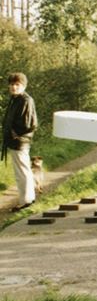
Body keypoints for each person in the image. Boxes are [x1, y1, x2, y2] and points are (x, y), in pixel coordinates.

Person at [2, 72, 38, 211]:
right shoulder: (16, 99)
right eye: (11, 84)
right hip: (16, 141)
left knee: (22, 171)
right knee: (22, 170)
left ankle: (26, 201)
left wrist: (16, 134)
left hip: (20, 141)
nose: (14, 87)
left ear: (23, 86)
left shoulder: (25, 100)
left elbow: (30, 123)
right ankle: (28, 199)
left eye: (17, 85)